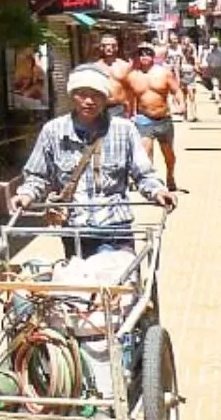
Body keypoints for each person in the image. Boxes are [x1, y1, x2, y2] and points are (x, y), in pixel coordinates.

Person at [12, 64, 175, 256]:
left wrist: (158, 191)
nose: (89, 101)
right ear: (72, 95)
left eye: (96, 95)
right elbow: (38, 176)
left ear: (105, 97)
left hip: (116, 226)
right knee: (77, 272)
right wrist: (26, 195)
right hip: (75, 227)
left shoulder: (125, 130)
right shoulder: (53, 131)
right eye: (82, 94)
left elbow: (143, 174)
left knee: (118, 272)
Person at [124, 43, 183, 192]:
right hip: (144, 119)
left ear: (153, 56)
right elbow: (129, 97)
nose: (144, 56)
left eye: (148, 53)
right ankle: (150, 183)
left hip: (163, 119)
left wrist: (181, 104)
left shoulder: (164, 73)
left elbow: (176, 90)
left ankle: (170, 176)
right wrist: (129, 115)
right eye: (141, 54)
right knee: (145, 152)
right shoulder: (133, 76)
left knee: (168, 154)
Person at [94, 34, 133, 118]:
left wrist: (131, 111)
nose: (109, 48)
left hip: (120, 108)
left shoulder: (124, 66)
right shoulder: (95, 67)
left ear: (117, 47)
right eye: (105, 45)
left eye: (112, 45)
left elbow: (130, 89)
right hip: (100, 108)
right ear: (101, 47)